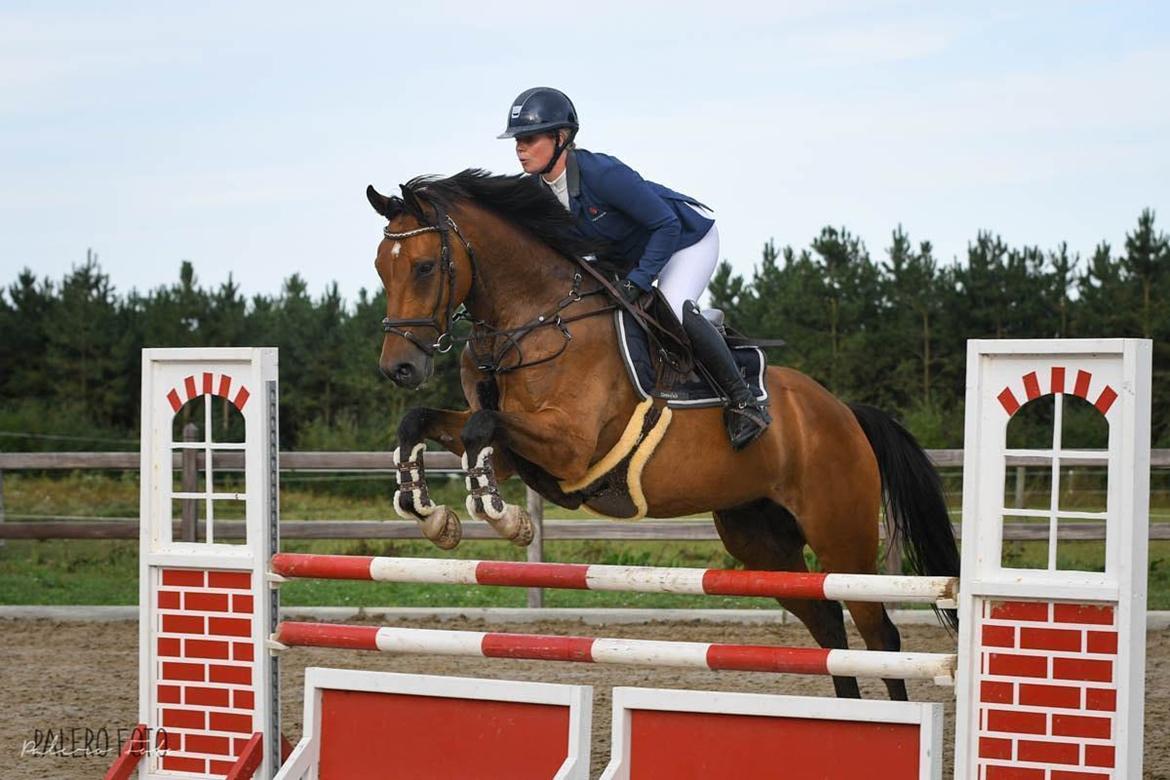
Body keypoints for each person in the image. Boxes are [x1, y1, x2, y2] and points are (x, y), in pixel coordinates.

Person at [498, 87, 771, 450]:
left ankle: (744, 402)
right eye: (517, 139)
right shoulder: (536, 194)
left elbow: (665, 225)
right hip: (633, 253)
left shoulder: (603, 173)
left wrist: (639, 281)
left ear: (561, 138)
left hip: (686, 239)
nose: (520, 148)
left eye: (529, 138)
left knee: (673, 306)